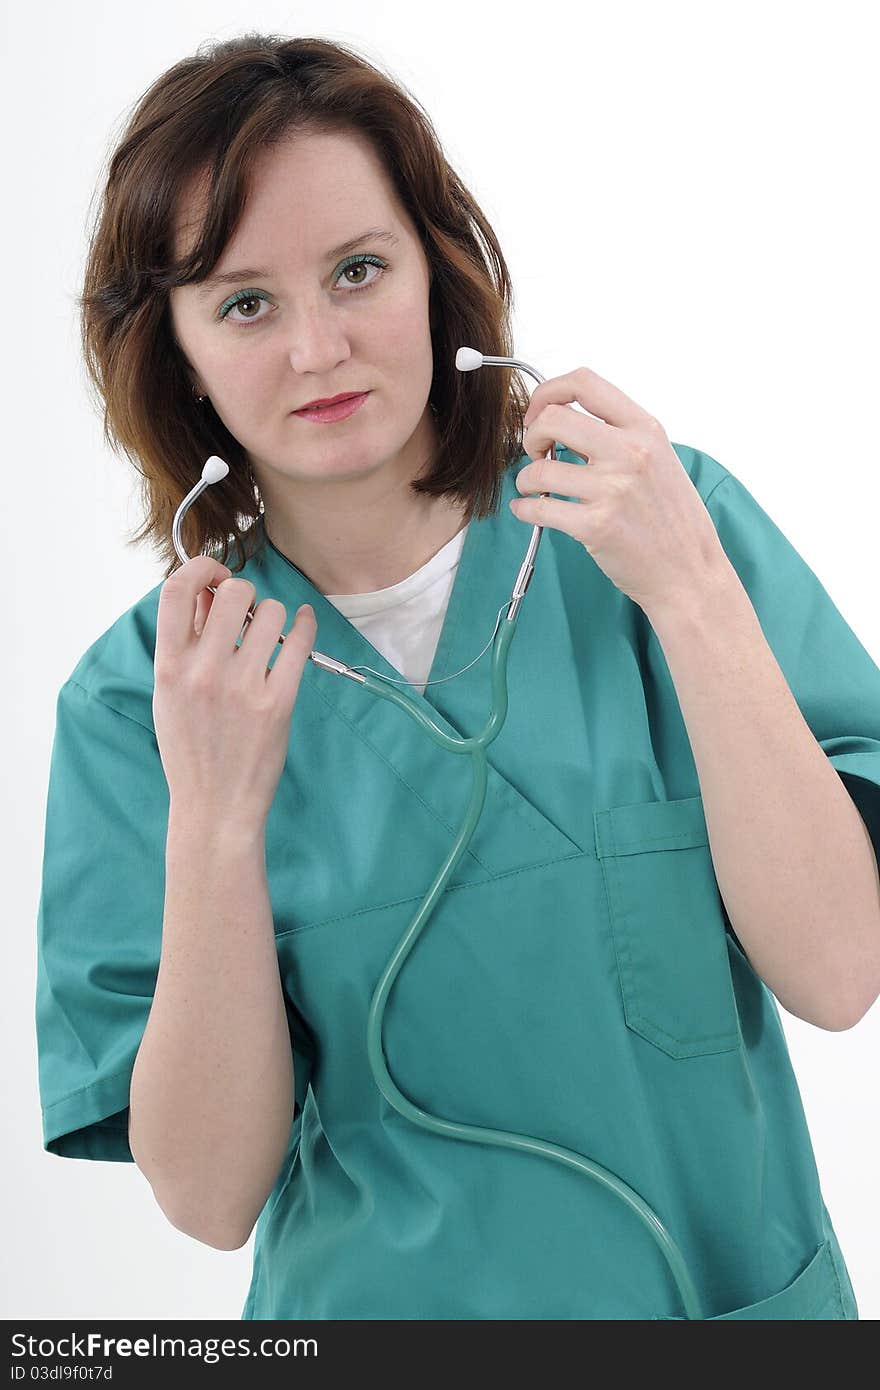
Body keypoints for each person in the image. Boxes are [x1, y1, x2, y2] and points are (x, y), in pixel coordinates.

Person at [35, 33, 878, 1321]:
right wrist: (216, 819)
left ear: (438, 270)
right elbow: (207, 1199)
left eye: (358, 271)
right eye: (245, 303)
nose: (319, 349)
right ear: (180, 354)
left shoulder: (659, 525)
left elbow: (839, 971)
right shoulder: (144, 696)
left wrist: (694, 603)